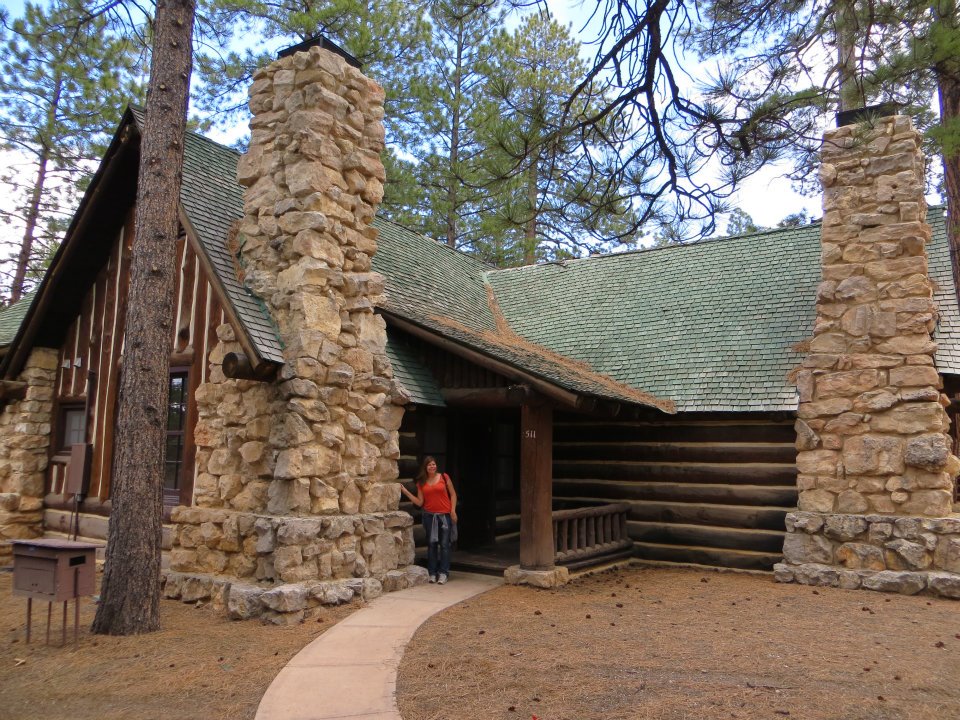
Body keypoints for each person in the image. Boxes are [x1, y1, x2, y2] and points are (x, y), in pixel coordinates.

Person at [399, 456, 457, 584]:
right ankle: (432, 573)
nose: (432, 466)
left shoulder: (444, 477)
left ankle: (443, 573)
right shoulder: (421, 482)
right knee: (431, 545)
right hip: (429, 517)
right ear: (425, 467)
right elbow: (420, 503)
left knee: (444, 545)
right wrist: (406, 492)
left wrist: (453, 511)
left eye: (434, 464)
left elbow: (453, 494)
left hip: (444, 516)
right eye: (430, 465)